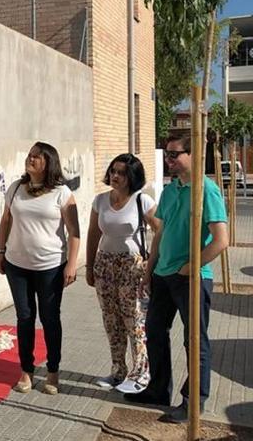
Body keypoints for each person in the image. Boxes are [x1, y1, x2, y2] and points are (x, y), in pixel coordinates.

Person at [124, 134, 229, 424]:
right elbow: (161, 233)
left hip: (191, 278)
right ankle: (157, 390)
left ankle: (193, 401)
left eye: (174, 155)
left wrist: (191, 266)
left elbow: (221, 240)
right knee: (155, 332)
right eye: (167, 155)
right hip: (162, 276)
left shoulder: (206, 191)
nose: (169, 160)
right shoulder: (170, 191)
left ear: (194, 155)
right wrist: (149, 271)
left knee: (194, 341)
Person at [0, 142, 80, 395]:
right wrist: (0, 252)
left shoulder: (62, 193)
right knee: (24, 318)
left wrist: (72, 264)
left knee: (50, 318)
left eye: (36, 157)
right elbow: (5, 221)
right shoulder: (15, 188)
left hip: (51, 267)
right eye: (29, 156)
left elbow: (74, 232)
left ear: (48, 163)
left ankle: (52, 372)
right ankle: (26, 370)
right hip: (17, 265)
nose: (29, 159)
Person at [86, 154, 158, 394]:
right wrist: (89, 267)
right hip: (105, 266)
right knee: (111, 320)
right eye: (113, 171)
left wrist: (151, 266)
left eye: (122, 173)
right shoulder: (100, 201)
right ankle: (118, 371)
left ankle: (141, 372)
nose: (115, 176)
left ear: (132, 177)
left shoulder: (142, 201)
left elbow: (161, 230)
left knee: (134, 321)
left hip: (132, 267)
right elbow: (93, 235)